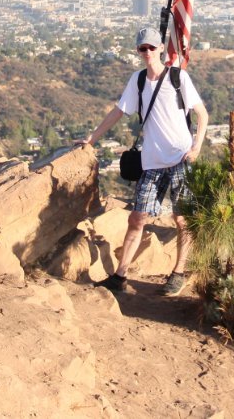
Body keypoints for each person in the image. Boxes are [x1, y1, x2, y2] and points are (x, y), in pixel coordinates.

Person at [75, 27, 208, 296]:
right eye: (142, 49)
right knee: (137, 218)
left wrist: (197, 147)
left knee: (182, 220)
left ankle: (178, 273)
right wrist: (92, 137)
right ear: (138, 51)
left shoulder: (178, 77)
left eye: (151, 47)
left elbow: (202, 114)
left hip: (181, 159)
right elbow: (119, 112)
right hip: (152, 162)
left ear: (161, 49)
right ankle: (120, 275)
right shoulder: (137, 81)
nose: (147, 53)